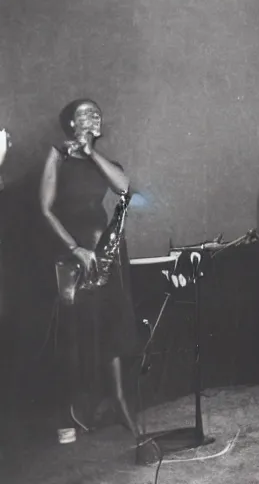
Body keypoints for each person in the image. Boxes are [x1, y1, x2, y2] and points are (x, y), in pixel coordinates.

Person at [40, 99, 140, 438]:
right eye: (84, 112)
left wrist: (90, 150)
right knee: (74, 332)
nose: (92, 116)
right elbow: (45, 209)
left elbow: (124, 187)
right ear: (70, 123)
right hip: (70, 252)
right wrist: (75, 248)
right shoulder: (56, 156)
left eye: (96, 112)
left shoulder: (104, 162)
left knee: (110, 324)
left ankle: (119, 399)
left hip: (103, 254)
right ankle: (70, 411)